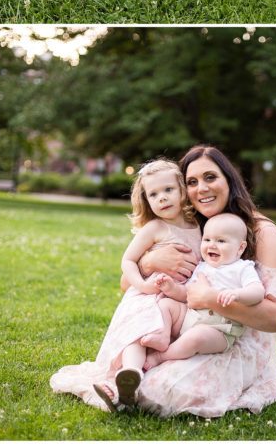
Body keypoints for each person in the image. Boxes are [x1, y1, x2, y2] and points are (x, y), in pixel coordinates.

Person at [51, 145, 276, 418]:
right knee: (146, 349)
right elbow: (129, 288)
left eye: (210, 177)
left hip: (230, 335)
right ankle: (128, 378)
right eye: (192, 182)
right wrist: (151, 261)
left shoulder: (259, 231)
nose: (201, 188)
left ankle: (136, 379)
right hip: (183, 322)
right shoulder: (189, 222)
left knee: (168, 390)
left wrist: (210, 299)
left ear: (230, 180)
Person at [62, 159, 202, 411]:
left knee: (161, 340)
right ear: (146, 200)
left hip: (178, 300)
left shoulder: (198, 227)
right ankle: (130, 374)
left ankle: (140, 381)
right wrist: (143, 285)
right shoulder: (155, 228)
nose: (162, 198)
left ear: (183, 190)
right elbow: (128, 260)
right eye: (154, 194)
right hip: (148, 296)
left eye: (168, 190)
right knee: (139, 333)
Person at [145, 213, 264, 369]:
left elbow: (258, 291)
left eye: (221, 241)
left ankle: (161, 356)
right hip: (190, 316)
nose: (212, 245)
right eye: (207, 239)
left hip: (219, 330)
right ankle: (163, 335)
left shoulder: (242, 268)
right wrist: (171, 288)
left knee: (196, 337)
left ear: (240, 248)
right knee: (165, 304)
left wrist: (238, 294)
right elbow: (188, 294)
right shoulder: (202, 266)